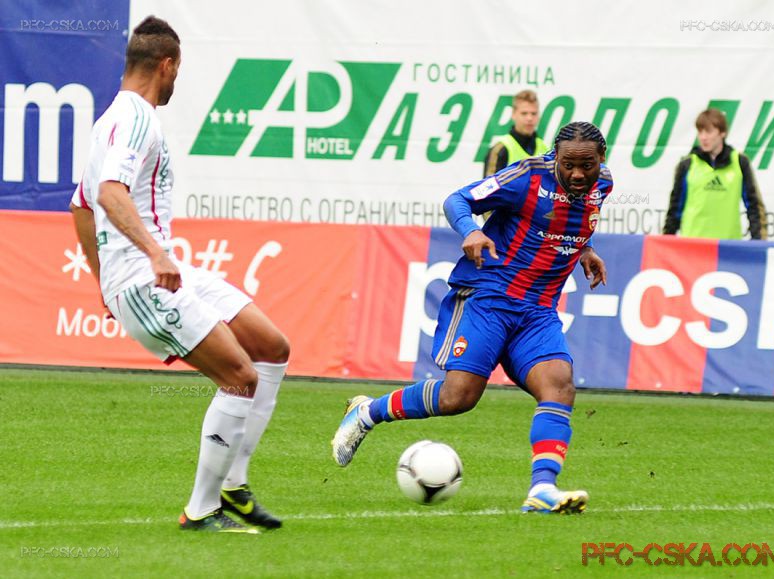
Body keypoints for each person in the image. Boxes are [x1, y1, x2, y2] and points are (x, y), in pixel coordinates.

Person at [69, 16, 290, 534]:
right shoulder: (137, 119)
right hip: (147, 277)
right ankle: (202, 510)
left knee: (272, 347)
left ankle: (234, 485)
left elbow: (80, 206)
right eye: (178, 71)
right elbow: (109, 194)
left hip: (158, 271)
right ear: (166, 66)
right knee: (240, 379)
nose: (176, 80)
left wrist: (102, 281)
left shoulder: (112, 120)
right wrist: (153, 255)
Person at [332, 121, 612, 514]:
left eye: (587, 165)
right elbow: (457, 200)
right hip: (489, 297)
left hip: (538, 311)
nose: (578, 174)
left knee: (560, 387)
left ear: (602, 159)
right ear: (554, 158)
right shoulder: (526, 176)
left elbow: (572, 217)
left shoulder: (603, 184)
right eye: (569, 165)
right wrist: (470, 231)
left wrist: (585, 249)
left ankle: (542, 489)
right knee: (458, 397)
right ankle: (366, 412)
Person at [663, 108, 766, 240]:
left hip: (728, 246)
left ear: (722, 133)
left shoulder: (740, 163)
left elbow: (754, 207)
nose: (703, 137)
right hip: (693, 246)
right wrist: (665, 242)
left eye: (708, 131)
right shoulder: (687, 165)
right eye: (700, 132)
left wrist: (758, 242)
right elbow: (674, 210)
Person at [483, 90, 549, 177]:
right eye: (524, 113)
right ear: (513, 115)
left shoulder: (545, 149)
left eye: (534, 113)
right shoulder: (499, 149)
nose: (529, 118)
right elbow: (489, 184)